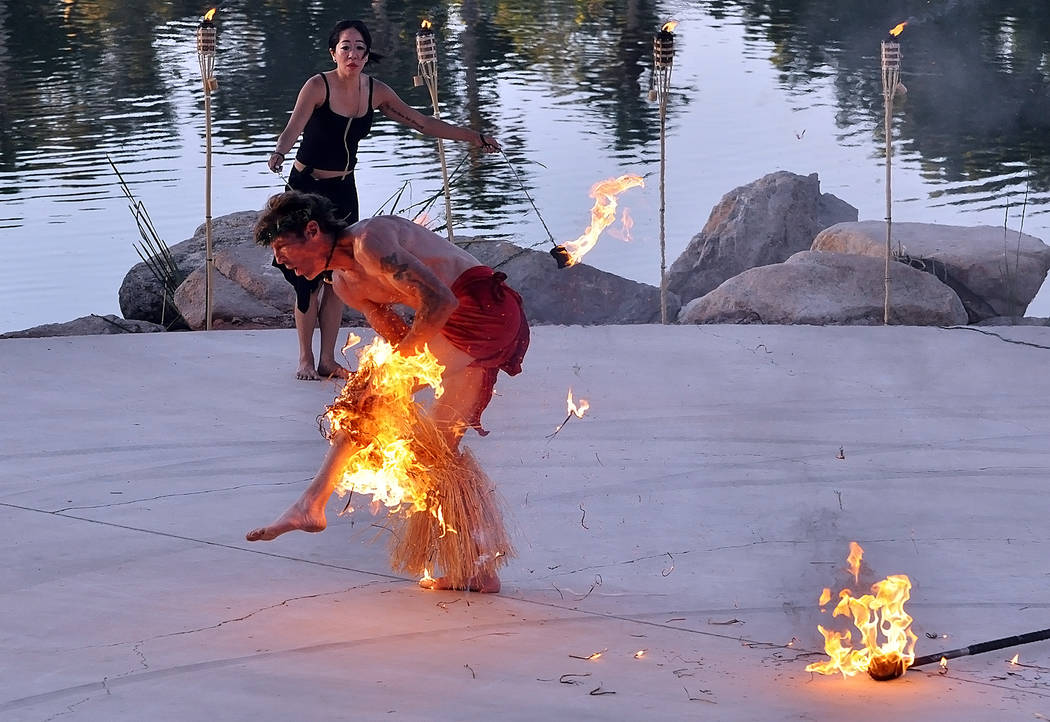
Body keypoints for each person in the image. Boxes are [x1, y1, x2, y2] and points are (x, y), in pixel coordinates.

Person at [245, 190, 529, 593]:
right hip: (461, 330)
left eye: (281, 247)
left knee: (364, 396)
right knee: (438, 451)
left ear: (312, 231)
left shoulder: (369, 241)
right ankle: (478, 567)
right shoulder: (346, 286)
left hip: (483, 311)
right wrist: (396, 377)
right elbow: (399, 339)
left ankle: (312, 503)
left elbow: (439, 299)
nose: (278, 260)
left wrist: (387, 379)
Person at [267, 19, 501, 380]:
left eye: (360, 48)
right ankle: (304, 358)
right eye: (346, 46)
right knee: (307, 280)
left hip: (344, 189)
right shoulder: (318, 86)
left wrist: (473, 136)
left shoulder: (376, 92)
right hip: (306, 190)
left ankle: (327, 359)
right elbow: (292, 127)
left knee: (339, 273)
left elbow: (423, 123)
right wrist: (279, 152)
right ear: (334, 51)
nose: (353, 54)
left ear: (366, 54)